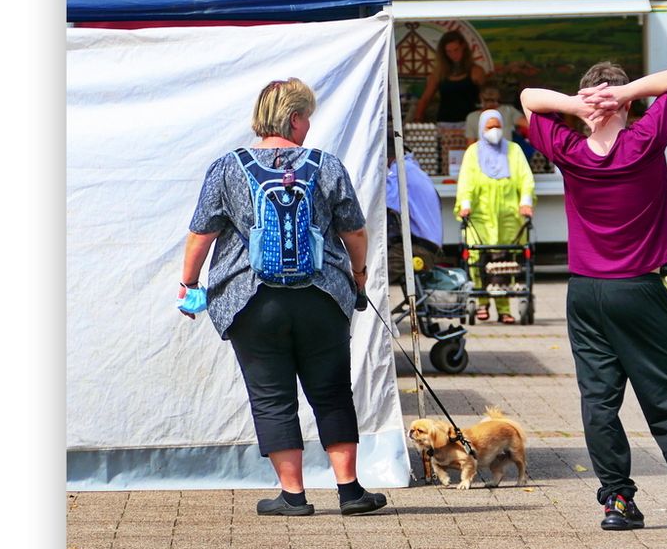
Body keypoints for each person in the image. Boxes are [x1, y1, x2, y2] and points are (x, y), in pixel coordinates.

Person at [520, 63, 667, 532]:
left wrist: (576, 105)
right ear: (627, 106)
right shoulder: (644, 142)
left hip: (584, 292)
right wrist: (621, 93)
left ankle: (617, 501)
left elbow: (527, 97)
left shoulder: (570, 150)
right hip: (638, 289)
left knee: (599, 401)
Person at [177, 78, 387, 517]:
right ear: (294, 118)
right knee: (330, 392)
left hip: (252, 299)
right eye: (306, 116)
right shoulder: (325, 165)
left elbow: (202, 232)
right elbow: (354, 230)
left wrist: (189, 283)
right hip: (321, 296)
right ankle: (350, 492)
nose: (309, 125)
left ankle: (293, 496)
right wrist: (359, 274)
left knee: (271, 394)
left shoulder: (228, 167)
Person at [456, 109, 535, 324]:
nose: (494, 131)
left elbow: (526, 179)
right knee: (479, 260)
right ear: (482, 128)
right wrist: (465, 204)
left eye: (497, 126)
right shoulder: (473, 152)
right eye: (489, 127)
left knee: (506, 262)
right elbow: (466, 181)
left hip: (510, 218)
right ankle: (481, 304)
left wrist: (526, 202)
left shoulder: (514, 151)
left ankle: (504, 308)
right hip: (480, 219)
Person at [386, 144, 444, 285]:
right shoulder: (412, 168)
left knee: (374, 270)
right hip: (431, 246)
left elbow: (386, 201)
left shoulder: (399, 169)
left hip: (421, 249)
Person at [412, 29, 486, 124]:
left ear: (463, 47)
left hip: (470, 124)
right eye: (449, 52)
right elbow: (425, 99)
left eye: (456, 50)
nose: (453, 55)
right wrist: (417, 119)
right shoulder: (439, 73)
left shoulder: (476, 71)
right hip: (445, 123)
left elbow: (486, 97)